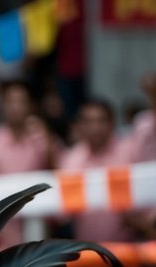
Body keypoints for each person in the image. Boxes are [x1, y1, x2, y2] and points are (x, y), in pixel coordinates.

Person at [0, 81, 60, 248]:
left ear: (31, 106)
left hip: (34, 227)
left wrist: (48, 141)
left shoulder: (42, 139)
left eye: (21, 101)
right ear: (3, 105)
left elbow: (58, 178)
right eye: (10, 101)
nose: (15, 107)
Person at [58, 87, 156, 243]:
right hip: (86, 256)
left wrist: (143, 222)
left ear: (112, 123)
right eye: (88, 121)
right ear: (80, 126)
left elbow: (147, 192)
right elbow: (61, 215)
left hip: (130, 253)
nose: (95, 128)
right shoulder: (72, 160)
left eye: (101, 120)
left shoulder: (129, 151)